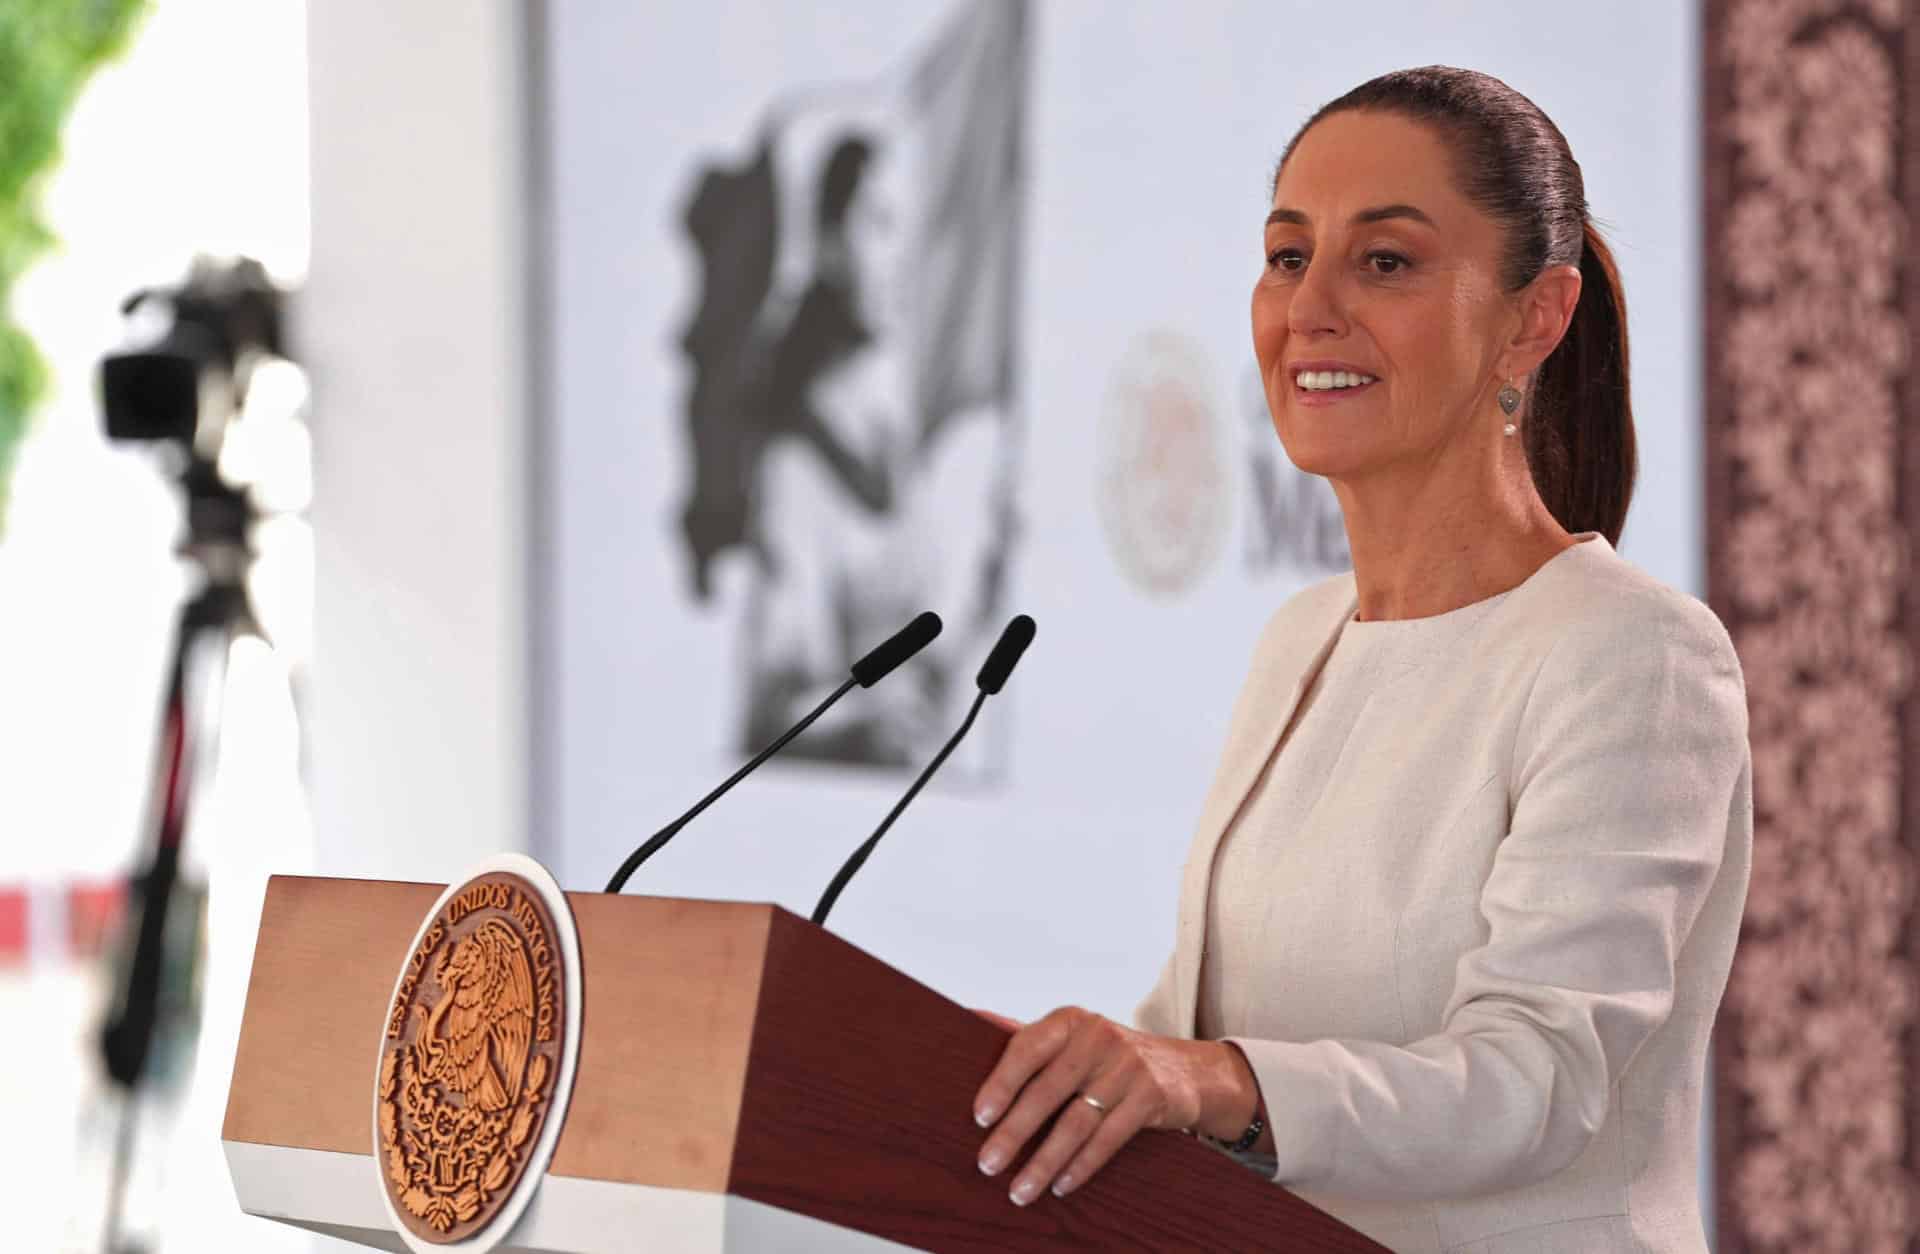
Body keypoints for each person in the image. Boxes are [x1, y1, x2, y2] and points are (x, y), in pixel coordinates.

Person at [970, 66, 1750, 1253]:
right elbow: (1198, 1034)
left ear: (1535, 317)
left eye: (1383, 262)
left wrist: (1207, 1079)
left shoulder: (1634, 654)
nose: (1310, 309)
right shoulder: (1303, 637)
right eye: (1288, 257)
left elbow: (1534, 1079)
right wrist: (1014, 1077)